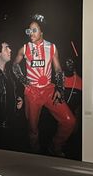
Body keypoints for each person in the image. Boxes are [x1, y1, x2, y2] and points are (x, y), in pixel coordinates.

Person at [12, 14, 76, 156]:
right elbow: (15, 65)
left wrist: (59, 88)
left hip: (49, 90)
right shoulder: (24, 48)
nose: (31, 33)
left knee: (69, 121)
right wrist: (23, 79)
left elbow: (58, 69)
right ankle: (35, 154)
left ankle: (55, 146)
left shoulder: (52, 47)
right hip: (32, 93)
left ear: (42, 32)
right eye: (29, 31)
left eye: (34, 30)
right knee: (33, 129)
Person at [0, 40, 23, 146]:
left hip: (11, 127)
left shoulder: (9, 74)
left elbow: (9, 95)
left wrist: (18, 99)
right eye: (6, 48)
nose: (10, 50)